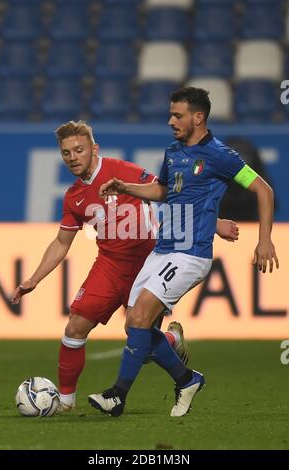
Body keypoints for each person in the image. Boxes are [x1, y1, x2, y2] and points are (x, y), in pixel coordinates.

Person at [11, 120, 238, 412]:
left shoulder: (123, 171)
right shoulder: (73, 197)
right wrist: (33, 279)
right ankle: (65, 403)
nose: (73, 157)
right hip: (108, 265)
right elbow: (61, 243)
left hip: (147, 261)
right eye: (66, 152)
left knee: (141, 346)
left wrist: (214, 223)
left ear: (95, 149)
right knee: (75, 327)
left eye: (79, 150)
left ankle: (171, 339)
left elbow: (172, 192)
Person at [89, 87, 279, 418]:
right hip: (162, 250)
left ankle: (117, 395)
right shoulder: (173, 152)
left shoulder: (222, 155)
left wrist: (265, 240)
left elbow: (263, 190)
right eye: (171, 114)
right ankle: (187, 379)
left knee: (138, 318)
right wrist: (126, 187)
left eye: (177, 115)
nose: (170, 121)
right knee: (137, 329)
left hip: (191, 254)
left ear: (198, 117)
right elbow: (165, 190)